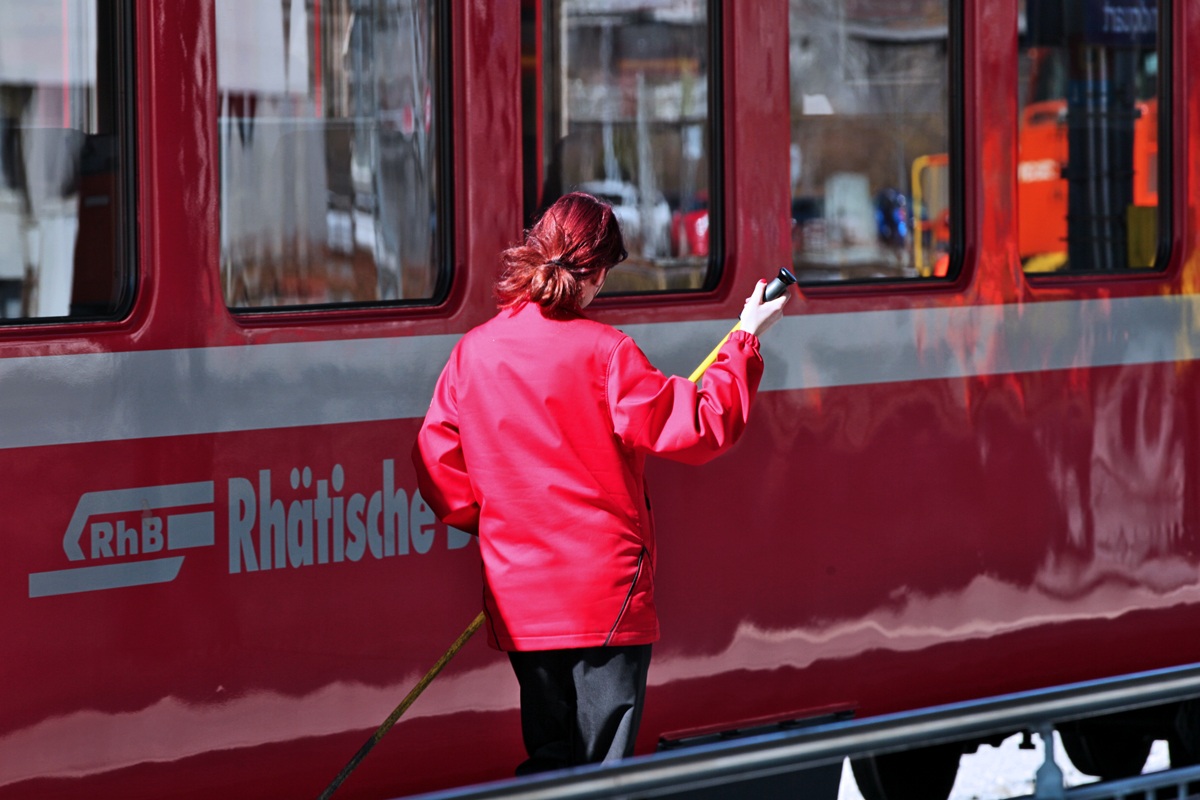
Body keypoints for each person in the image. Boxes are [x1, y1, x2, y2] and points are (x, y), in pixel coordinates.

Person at [412, 192, 787, 775]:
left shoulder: (471, 354)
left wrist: (497, 526)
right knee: (602, 772)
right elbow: (703, 426)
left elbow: (438, 463)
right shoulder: (608, 355)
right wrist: (745, 339)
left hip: (520, 600)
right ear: (598, 271)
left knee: (551, 761)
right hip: (605, 601)